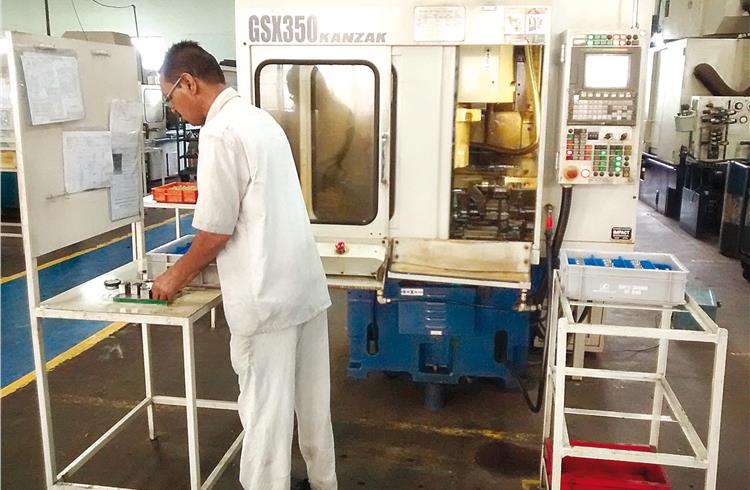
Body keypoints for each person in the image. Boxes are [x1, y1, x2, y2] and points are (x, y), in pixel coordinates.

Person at [151, 41, 337, 490]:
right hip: (304, 290)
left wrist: (175, 276)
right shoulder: (260, 120)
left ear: (189, 83)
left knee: (266, 422)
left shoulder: (220, 132)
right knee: (313, 412)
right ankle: (325, 484)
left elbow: (216, 229)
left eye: (169, 97)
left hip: (266, 300)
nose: (173, 110)